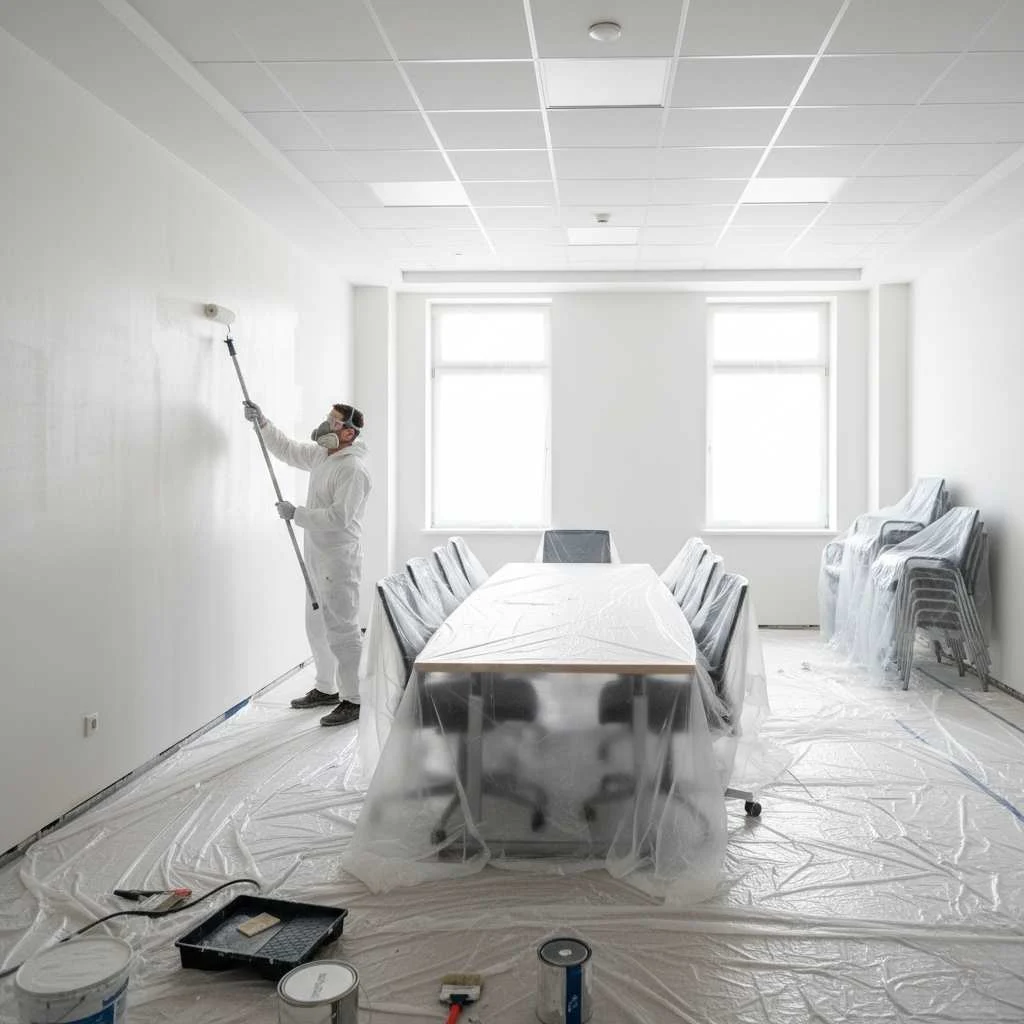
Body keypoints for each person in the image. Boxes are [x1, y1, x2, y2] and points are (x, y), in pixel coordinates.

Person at [243, 400, 371, 727]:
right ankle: (326, 688)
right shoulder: (320, 455)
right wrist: (263, 423)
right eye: (327, 418)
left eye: (334, 421)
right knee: (316, 625)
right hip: (316, 553)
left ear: (349, 432)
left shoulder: (352, 470)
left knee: (342, 628)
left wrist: (296, 514)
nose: (326, 425)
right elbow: (287, 450)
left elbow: (341, 517)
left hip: (339, 559)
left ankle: (353, 699)